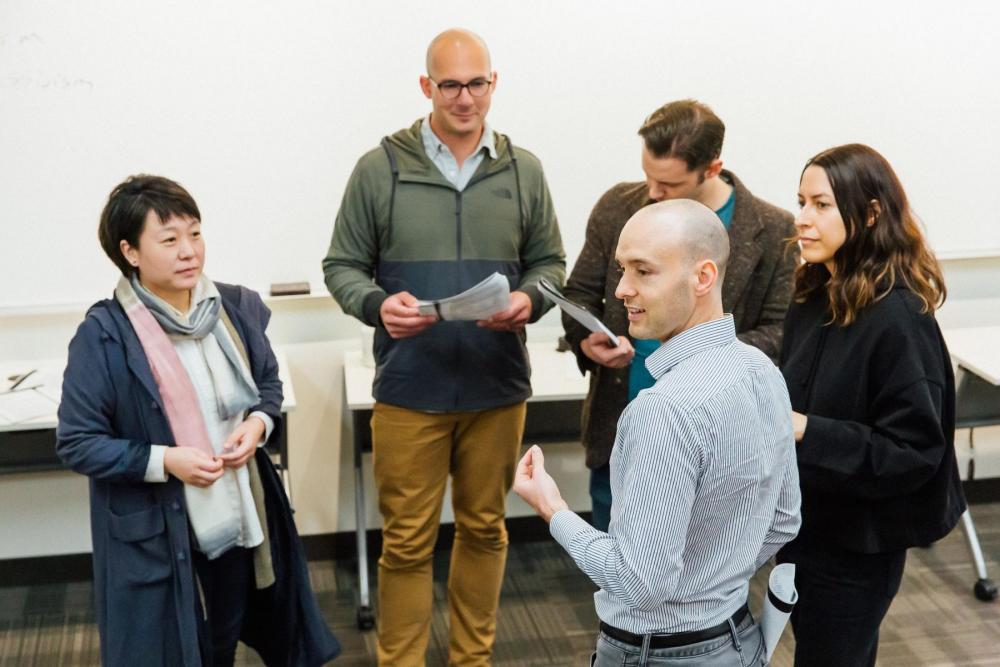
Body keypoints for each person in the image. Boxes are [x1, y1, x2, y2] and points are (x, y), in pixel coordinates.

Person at [321, 28, 565, 665]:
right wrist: (378, 306)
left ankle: (471, 659)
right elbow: (342, 266)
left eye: (476, 83)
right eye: (450, 85)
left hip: (496, 386)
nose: (465, 98)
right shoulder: (381, 169)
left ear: (494, 83)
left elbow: (549, 265)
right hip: (411, 388)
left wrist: (530, 301)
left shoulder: (523, 169)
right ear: (427, 87)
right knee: (405, 542)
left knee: (486, 530)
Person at [56, 175, 340, 667]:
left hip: (240, 513)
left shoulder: (235, 307)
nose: (189, 251)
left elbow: (268, 389)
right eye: (169, 240)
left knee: (224, 641)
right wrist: (168, 460)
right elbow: (78, 441)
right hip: (164, 531)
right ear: (131, 252)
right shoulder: (105, 335)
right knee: (181, 649)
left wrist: (257, 426)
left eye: (195, 233)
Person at [515, 199, 801, 666]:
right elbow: (785, 518)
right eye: (622, 269)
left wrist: (553, 509)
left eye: (643, 272)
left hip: (658, 655)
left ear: (703, 277)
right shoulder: (762, 371)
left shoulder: (663, 410)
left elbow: (640, 584)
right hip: (737, 639)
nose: (622, 289)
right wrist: (713, 580)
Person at [561, 99, 798, 531]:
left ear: (711, 168)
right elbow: (579, 292)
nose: (652, 192)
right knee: (614, 557)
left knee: (707, 558)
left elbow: (783, 330)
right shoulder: (618, 206)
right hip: (622, 415)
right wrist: (585, 340)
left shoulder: (773, 228)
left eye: (668, 183)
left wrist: (704, 356)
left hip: (721, 431)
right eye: (648, 175)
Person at [777, 144, 966, 666]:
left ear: (870, 214)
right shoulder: (814, 295)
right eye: (801, 203)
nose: (802, 220)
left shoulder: (900, 318)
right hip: (807, 526)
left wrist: (803, 430)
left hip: (858, 544)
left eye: (821, 205)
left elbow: (914, 451)